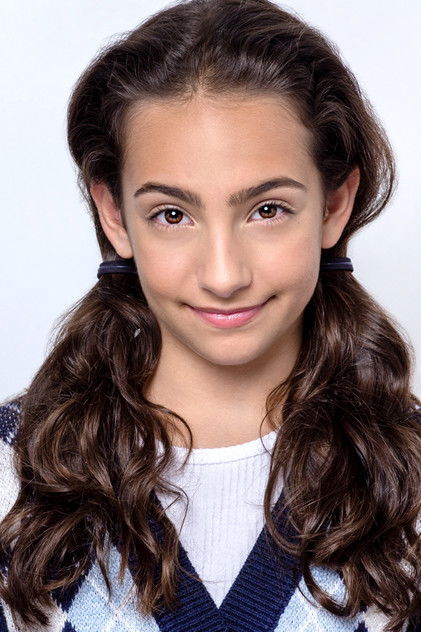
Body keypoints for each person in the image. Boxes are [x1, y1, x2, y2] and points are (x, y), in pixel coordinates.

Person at [0, 0, 420, 630]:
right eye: (172, 215)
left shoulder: (408, 480)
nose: (224, 276)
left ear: (335, 204)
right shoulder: (13, 476)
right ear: (114, 215)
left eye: (267, 210)